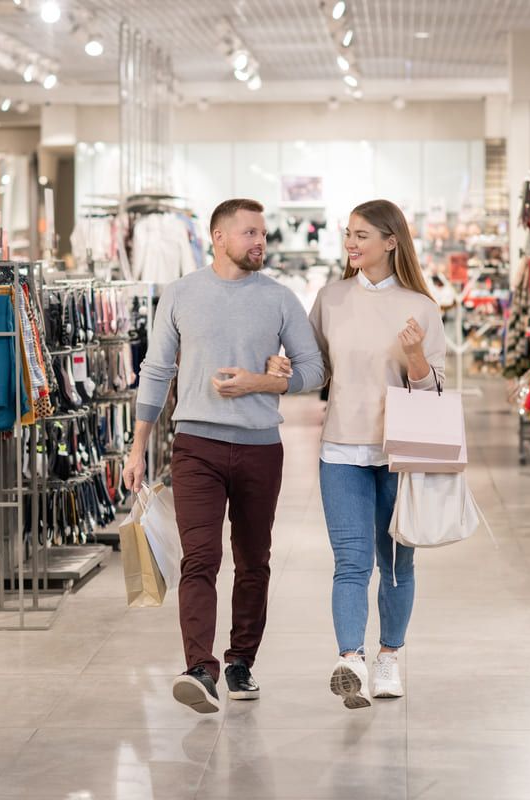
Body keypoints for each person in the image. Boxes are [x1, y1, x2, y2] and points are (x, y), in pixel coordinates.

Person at [123, 197, 326, 714]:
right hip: (196, 448)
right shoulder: (181, 294)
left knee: (253, 561)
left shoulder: (279, 299)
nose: (260, 241)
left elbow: (315, 371)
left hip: (261, 448)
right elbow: (156, 371)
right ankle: (199, 669)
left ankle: (240, 662)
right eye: (250, 233)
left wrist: (261, 381)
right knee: (201, 559)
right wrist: (138, 446)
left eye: (262, 234)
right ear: (218, 237)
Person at [270, 198, 446, 710]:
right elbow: (314, 370)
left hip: (401, 451)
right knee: (350, 562)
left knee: (395, 564)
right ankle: (352, 660)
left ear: (391, 241)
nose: (350, 242)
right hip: (341, 449)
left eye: (361, 234)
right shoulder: (330, 297)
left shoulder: (422, 305)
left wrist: (414, 356)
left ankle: (389, 656)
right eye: (348, 233)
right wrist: (279, 372)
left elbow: (435, 387)